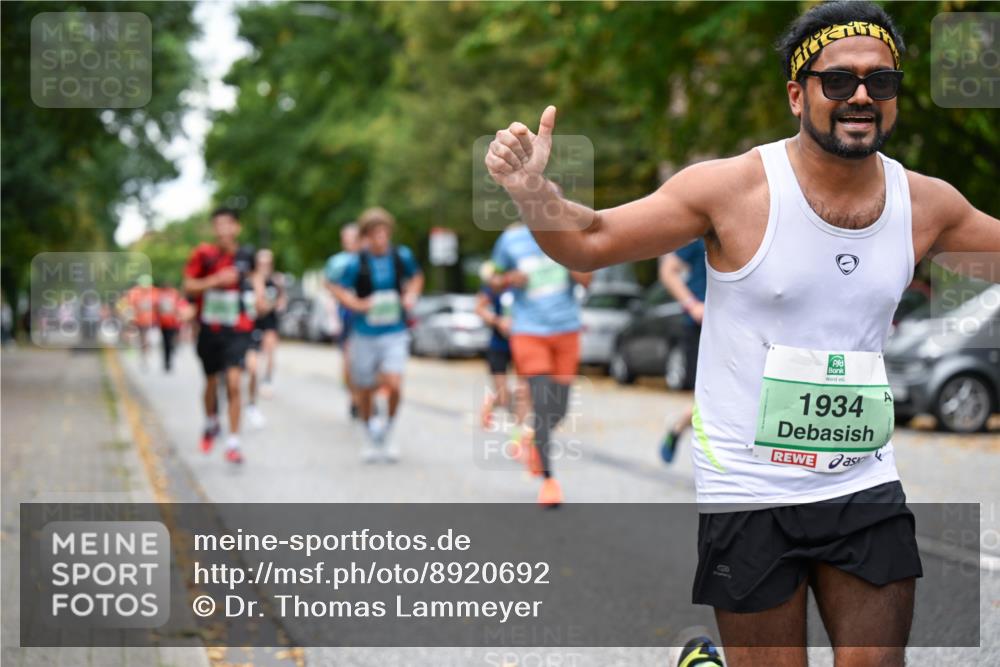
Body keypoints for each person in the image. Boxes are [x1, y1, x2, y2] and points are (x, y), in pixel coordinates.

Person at [484, 2, 999, 664]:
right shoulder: (731, 190)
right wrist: (534, 194)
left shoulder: (928, 205)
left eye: (881, 81)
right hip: (749, 487)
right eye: (837, 81)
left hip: (861, 480)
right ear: (797, 93)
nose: (861, 96)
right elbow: (590, 239)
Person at [489, 207, 592, 508]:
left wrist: (573, 262)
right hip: (528, 331)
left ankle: (533, 435)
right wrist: (509, 279)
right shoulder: (512, 240)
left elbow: (587, 280)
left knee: (559, 407)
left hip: (566, 331)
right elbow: (492, 282)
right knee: (543, 401)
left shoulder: (572, 236)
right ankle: (549, 480)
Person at [328, 208, 424, 463]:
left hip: (394, 331)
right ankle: (370, 432)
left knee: (394, 384)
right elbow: (335, 287)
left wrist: (411, 294)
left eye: (384, 232)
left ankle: (389, 429)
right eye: (374, 234)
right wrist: (356, 304)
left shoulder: (400, 256)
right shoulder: (356, 261)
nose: (381, 238)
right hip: (364, 334)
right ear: (366, 236)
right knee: (365, 388)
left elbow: (416, 277)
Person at [183, 208, 260, 464]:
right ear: (214, 229)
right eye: (218, 225)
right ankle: (210, 421)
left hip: (237, 328)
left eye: (228, 224)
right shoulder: (203, 255)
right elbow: (189, 285)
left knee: (235, 382)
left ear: (237, 227)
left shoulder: (247, 255)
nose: (224, 229)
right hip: (210, 328)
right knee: (212, 382)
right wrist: (214, 281)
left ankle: (234, 442)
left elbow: (256, 282)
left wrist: (259, 299)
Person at [658, 239, 706, 463]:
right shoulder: (704, 233)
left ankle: (678, 427)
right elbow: (668, 271)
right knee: (707, 400)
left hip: (737, 327)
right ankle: (677, 429)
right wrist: (692, 305)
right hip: (700, 327)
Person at [324, 222, 362, 420]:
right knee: (349, 359)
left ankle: (365, 395)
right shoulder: (337, 262)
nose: (351, 241)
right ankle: (353, 397)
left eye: (355, 236)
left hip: (367, 315)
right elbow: (327, 285)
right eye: (347, 237)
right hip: (347, 315)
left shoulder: (368, 258)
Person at [155, 280, 189, 373]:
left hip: (170, 323)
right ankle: (167, 362)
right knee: (167, 343)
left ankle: (168, 362)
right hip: (166, 323)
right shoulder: (165, 294)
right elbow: (158, 308)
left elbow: (177, 306)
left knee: (167, 343)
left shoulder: (169, 294)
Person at [125, 274, 157, 368]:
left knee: (145, 337)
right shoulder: (134, 292)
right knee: (138, 337)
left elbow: (157, 305)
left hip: (149, 321)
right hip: (137, 320)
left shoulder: (154, 291)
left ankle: (144, 356)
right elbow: (129, 306)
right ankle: (138, 352)